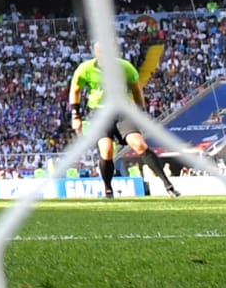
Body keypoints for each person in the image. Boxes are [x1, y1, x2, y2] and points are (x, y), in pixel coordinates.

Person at [68, 42, 178, 198]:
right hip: (99, 114)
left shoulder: (124, 67)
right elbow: (75, 90)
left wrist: (141, 112)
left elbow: (136, 89)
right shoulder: (85, 69)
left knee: (139, 144)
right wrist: (76, 116)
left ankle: (168, 185)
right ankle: (107, 188)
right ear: (96, 53)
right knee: (106, 151)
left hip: (122, 111)